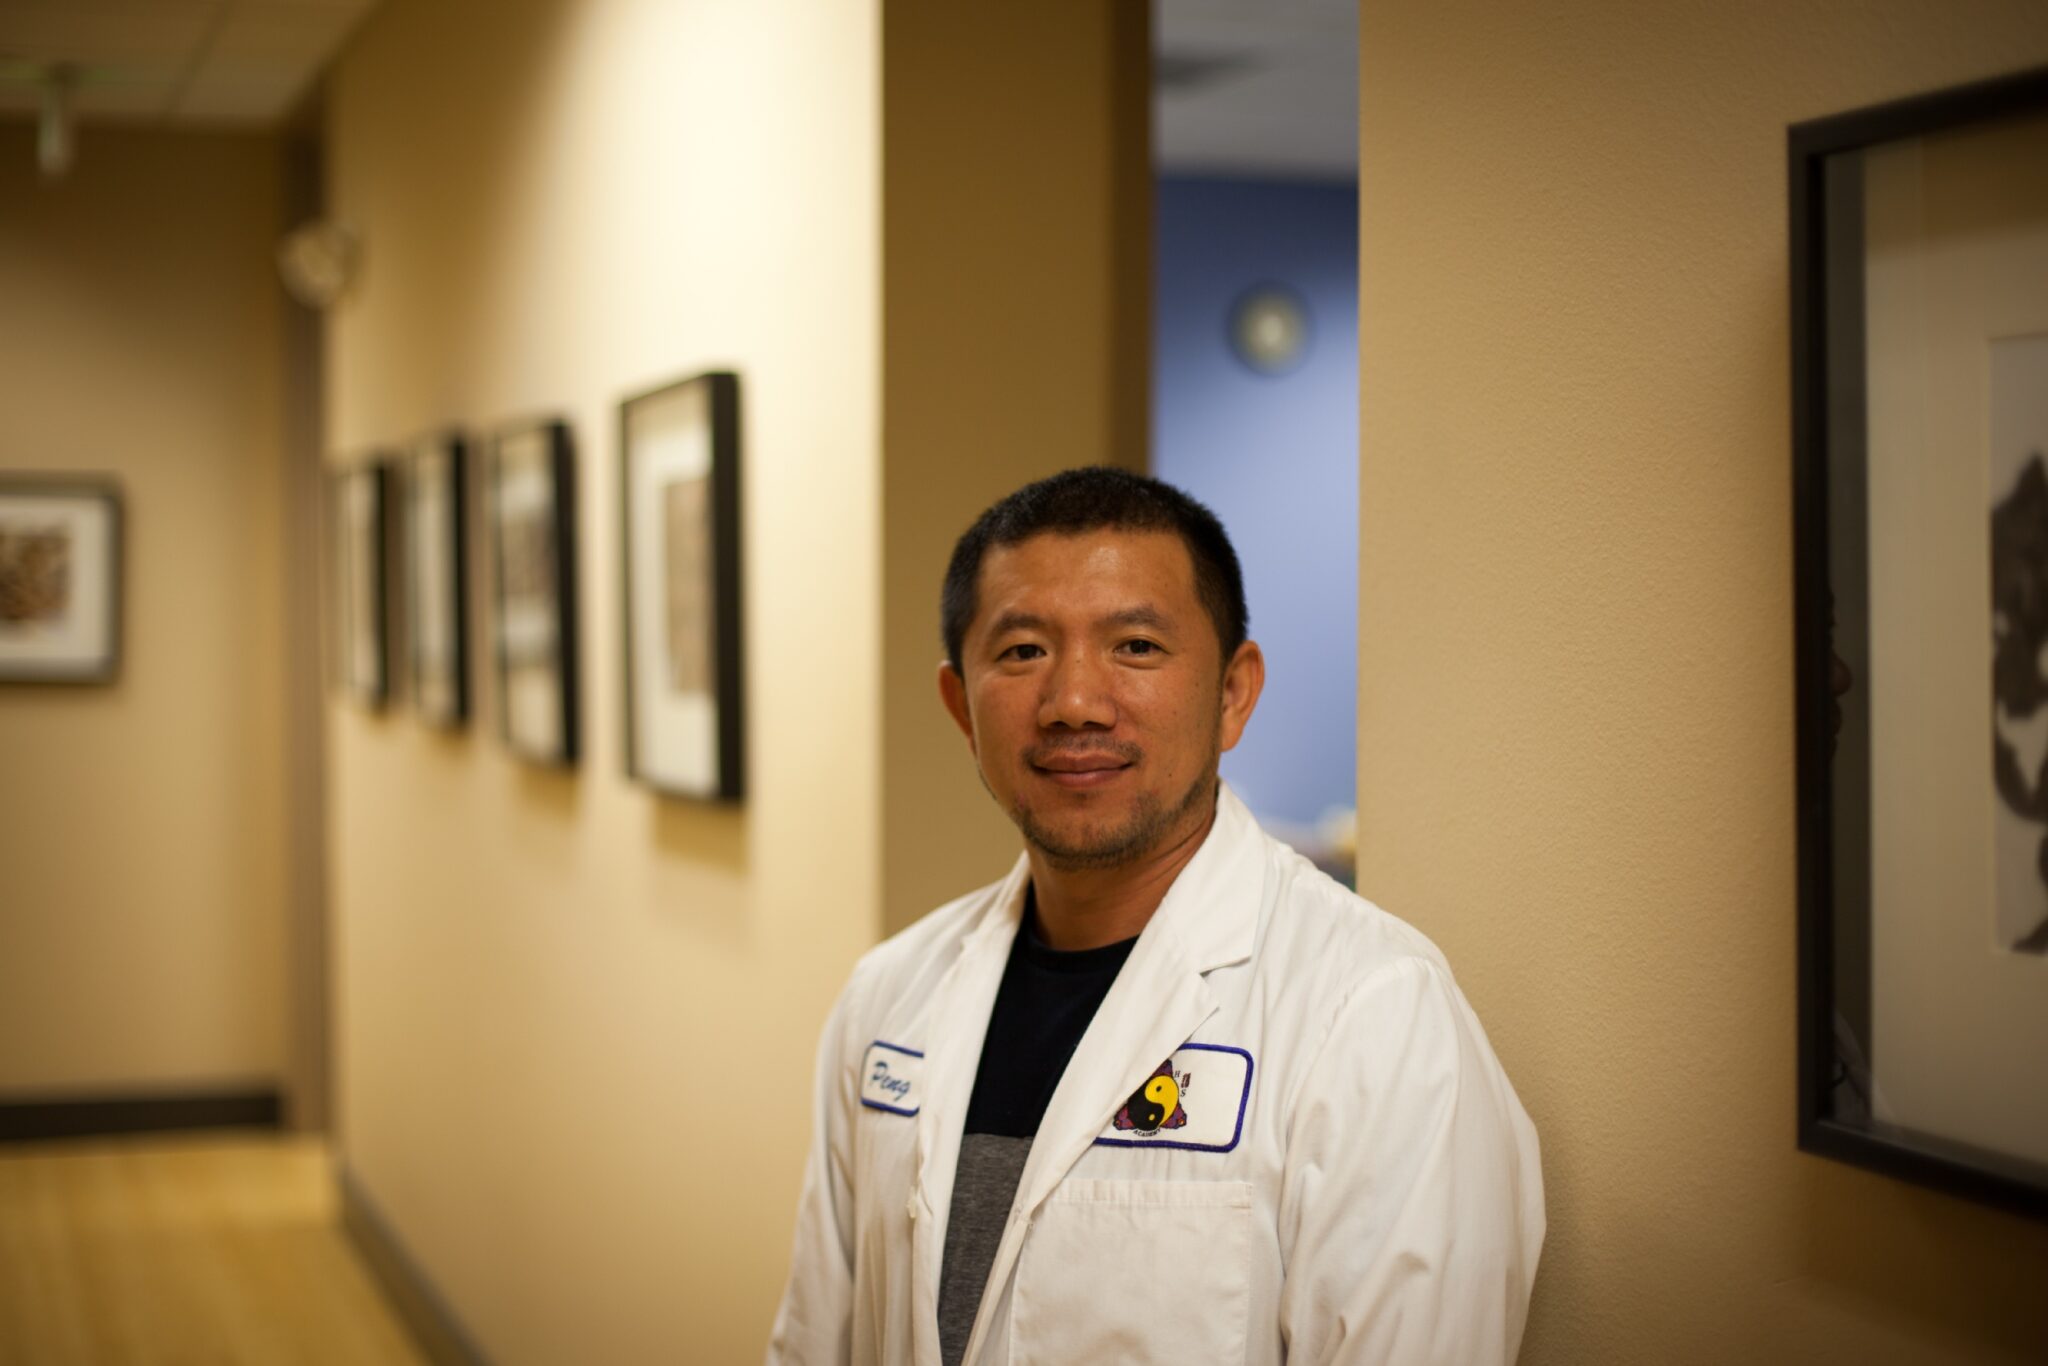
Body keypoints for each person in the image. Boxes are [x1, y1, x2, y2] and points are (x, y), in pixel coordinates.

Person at [768, 468, 1544, 1365]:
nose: (1074, 704)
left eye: (1135, 646)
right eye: (1022, 652)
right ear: (960, 707)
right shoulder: (888, 996)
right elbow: (813, 1345)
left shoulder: (1374, 1018)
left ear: (1232, 694)